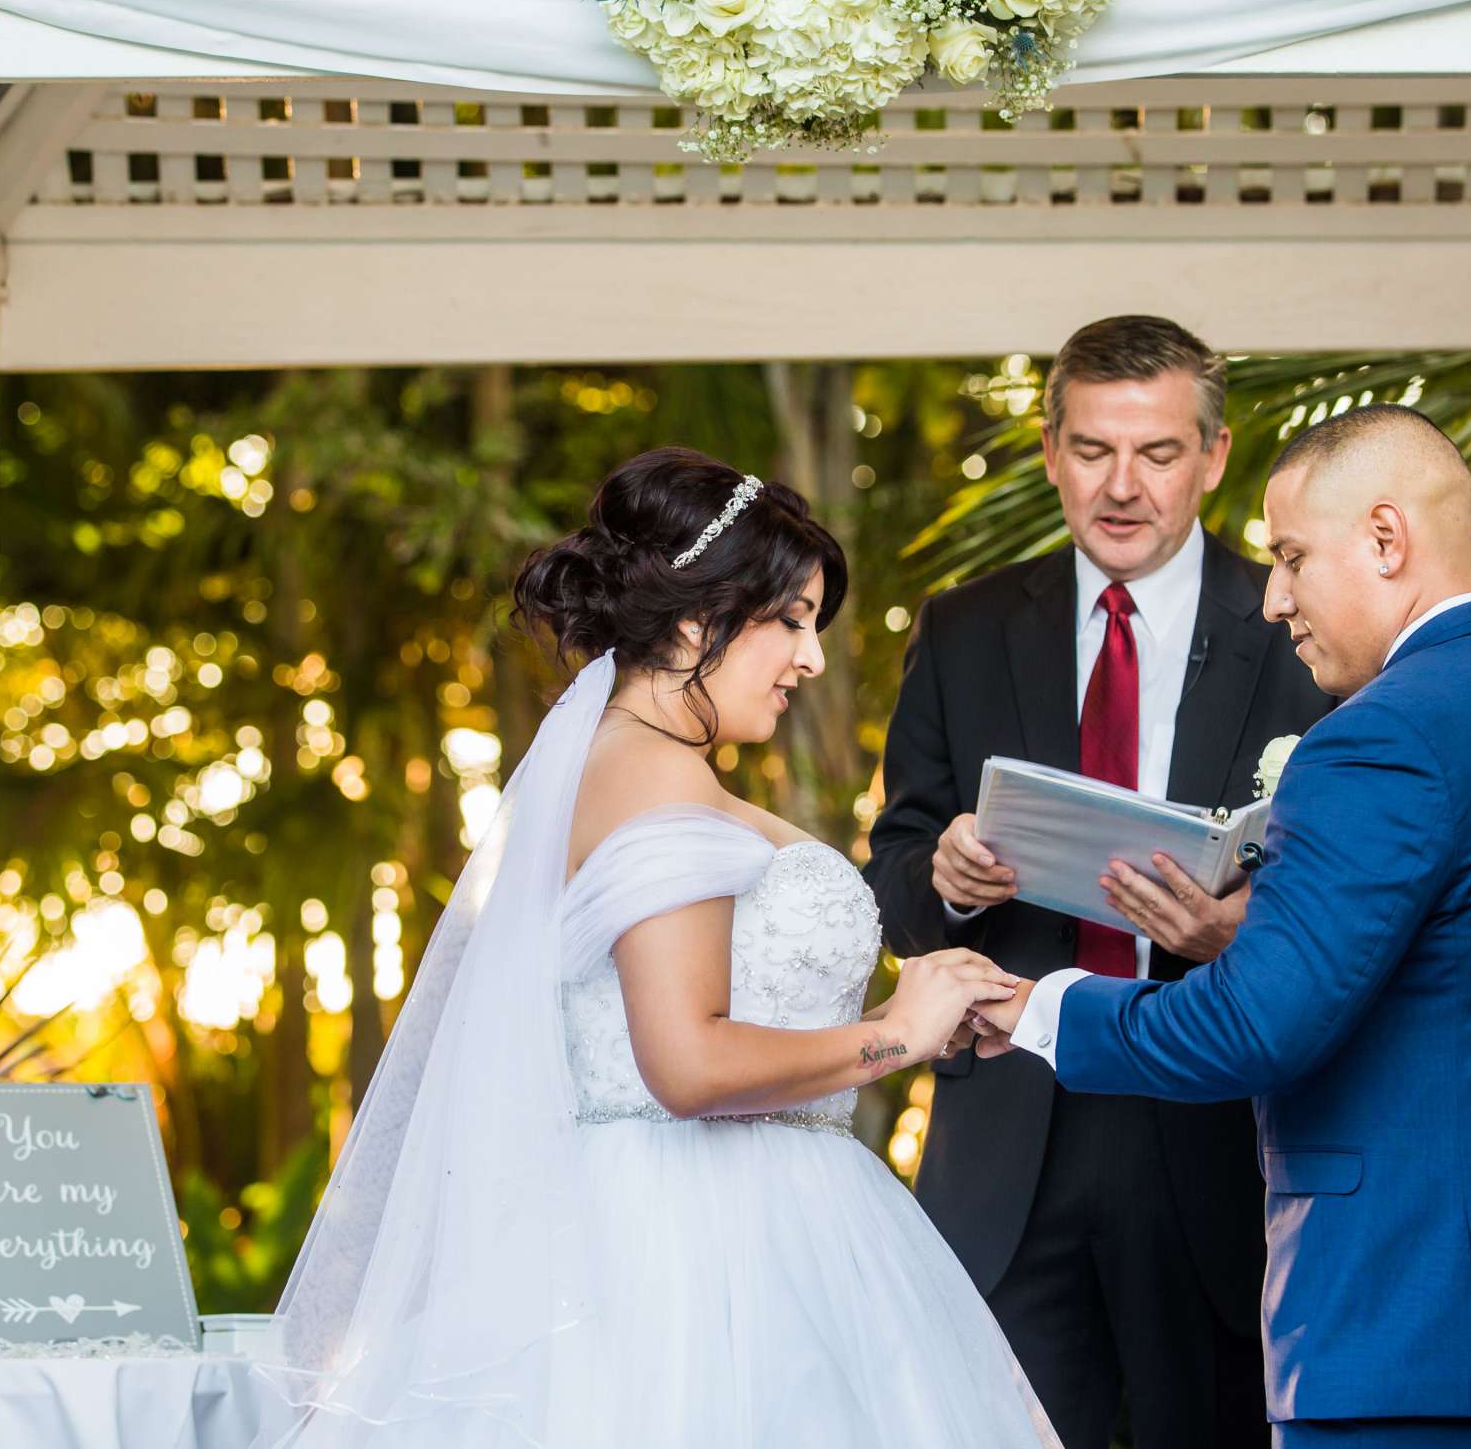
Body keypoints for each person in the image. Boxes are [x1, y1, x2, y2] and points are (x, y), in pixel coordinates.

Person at [261, 447, 1060, 1447]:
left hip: (735, 1215)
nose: (810, 659)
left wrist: (927, 1014)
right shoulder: (657, 780)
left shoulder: (640, 767)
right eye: (791, 620)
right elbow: (685, 1061)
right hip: (699, 1247)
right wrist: (893, 1034)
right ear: (696, 621)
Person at [972, 405, 1471, 1446]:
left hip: (1426, 1342)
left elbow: (1252, 1029)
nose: (1273, 600)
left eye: (1291, 556)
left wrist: (1039, 1007)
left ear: (1388, 540)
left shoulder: (1380, 738)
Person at [865, 315, 1333, 1448]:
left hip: (1215, 1134)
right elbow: (895, 874)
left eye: (1159, 453)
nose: (1123, 486)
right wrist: (952, 878)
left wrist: (1239, 928)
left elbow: (1346, 891)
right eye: (1092, 450)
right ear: (1049, 449)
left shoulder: (1299, 633)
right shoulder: (966, 627)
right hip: (1007, 1143)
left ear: (1214, 458)